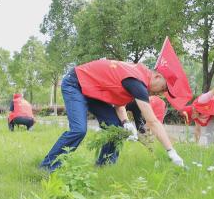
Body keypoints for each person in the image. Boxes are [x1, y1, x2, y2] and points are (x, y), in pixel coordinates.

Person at [39, 59, 185, 171]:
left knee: (116, 130)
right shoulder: (137, 81)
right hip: (75, 83)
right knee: (79, 130)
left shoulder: (138, 76)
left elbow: (118, 100)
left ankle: (104, 167)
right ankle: (47, 167)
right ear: (158, 77)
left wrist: (126, 122)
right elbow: (152, 121)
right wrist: (171, 151)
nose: (161, 93)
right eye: (163, 88)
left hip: (92, 92)